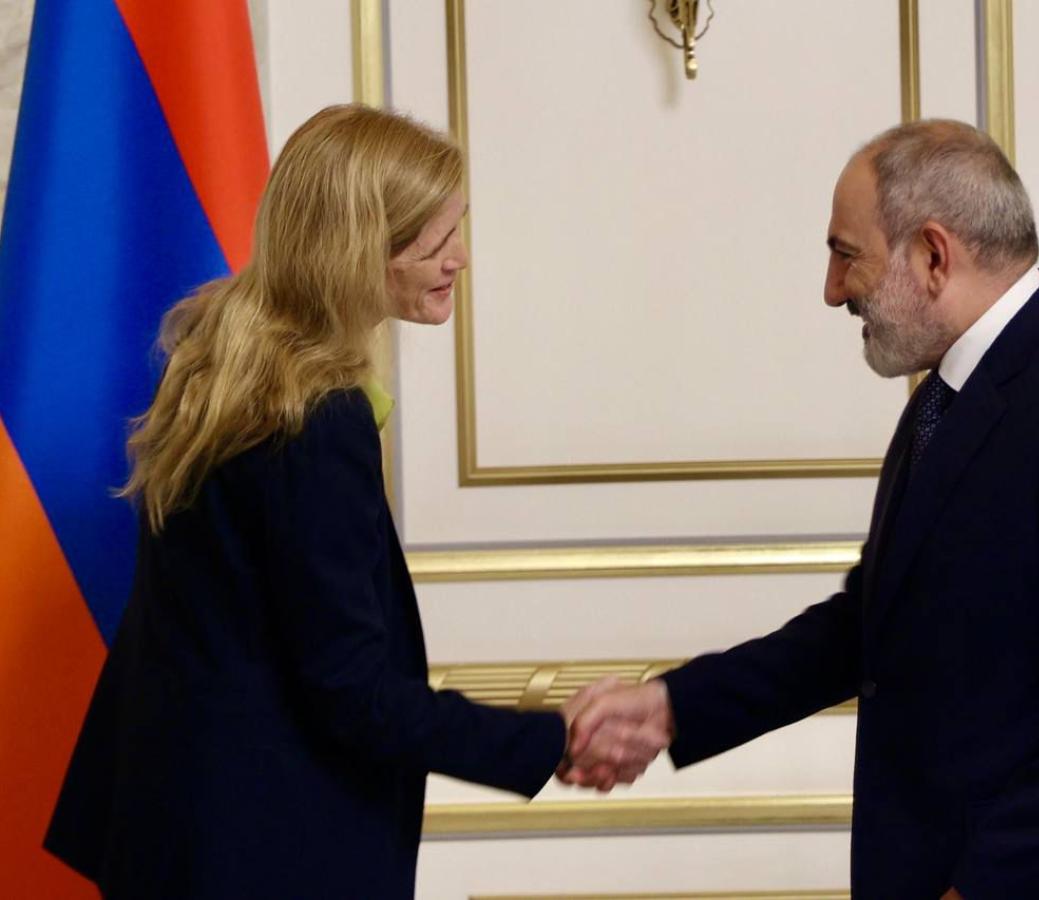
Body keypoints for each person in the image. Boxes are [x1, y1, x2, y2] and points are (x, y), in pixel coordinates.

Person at [562, 120, 1039, 899]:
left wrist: (993, 884)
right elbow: (869, 626)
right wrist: (670, 709)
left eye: (846, 253)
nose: (833, 289)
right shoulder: (948, 398)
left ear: (933, 255)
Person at [44, 104, 663, 900]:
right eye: (436, 241)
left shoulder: (220, 359)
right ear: (357, 249)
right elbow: (351, 693)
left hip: (177, 827)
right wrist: (546, 739)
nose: (461, 258)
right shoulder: (316, 417)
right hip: (265, 850)